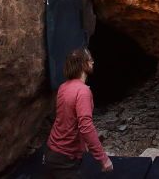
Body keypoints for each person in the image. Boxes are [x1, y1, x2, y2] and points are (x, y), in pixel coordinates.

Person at [45, 48, 113, 178]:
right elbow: (86, 127)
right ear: (83, 64)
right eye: (90, 59)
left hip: (52, 151)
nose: (92, 62)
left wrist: (83, 145)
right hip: (65, 158)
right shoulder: (83, 91)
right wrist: (103, 159)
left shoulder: (63, 87)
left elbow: (68, 120)